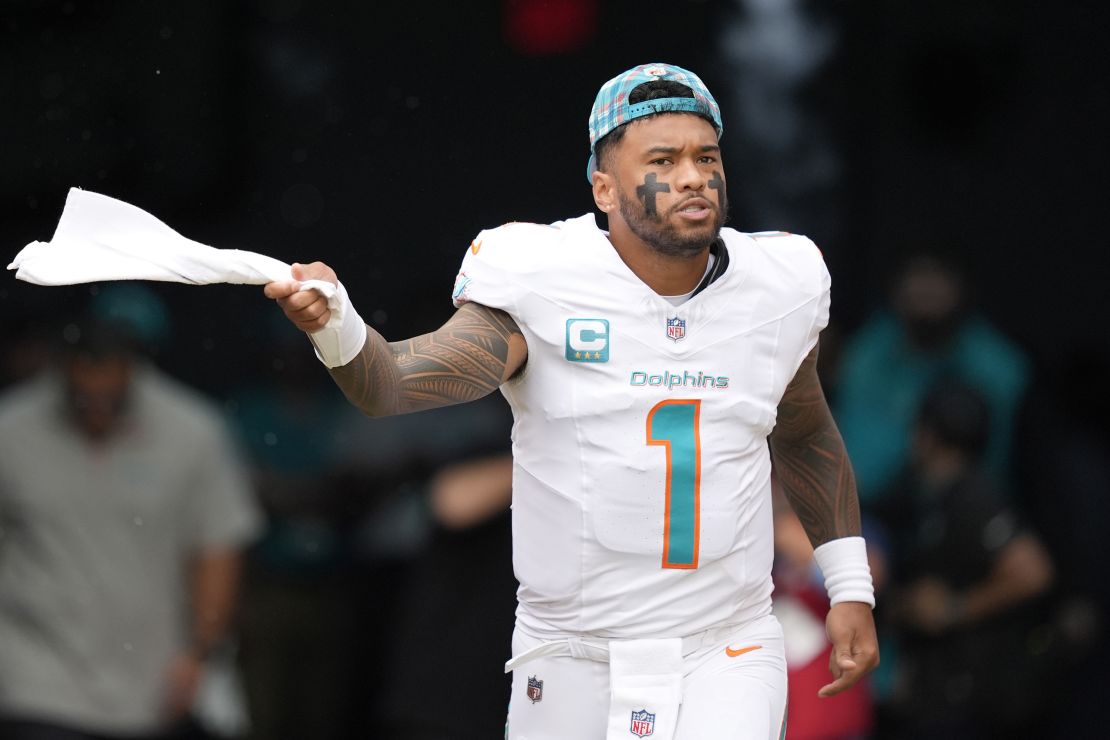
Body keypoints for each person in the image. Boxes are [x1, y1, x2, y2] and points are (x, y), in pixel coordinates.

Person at [264, 62, 878, 740]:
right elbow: (391, 385)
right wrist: (336, 326)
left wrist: (849, 587)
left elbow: (805, 435)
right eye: (664, 159)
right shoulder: (542, 280)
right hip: (572, 649)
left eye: (707, 156)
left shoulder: (775, 286)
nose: (694, 175)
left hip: (724, 644)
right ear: (604, 188)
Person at [0, 317, 261, 740]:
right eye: (84, 399)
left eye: (110, 398)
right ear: (62, 373)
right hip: (34, 673)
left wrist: (200, 653)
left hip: (152, 679)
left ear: (133, 373)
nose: (97, 409)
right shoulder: (10, 430)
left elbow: (216, 547)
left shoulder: (192, 431)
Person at [873, 380, 1054, 739]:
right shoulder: (920, 493)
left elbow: (1033, 572)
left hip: (971, 691)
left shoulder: (975, 496)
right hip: (931, 686)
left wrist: (957, 608)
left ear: (927, 435)